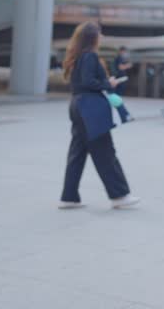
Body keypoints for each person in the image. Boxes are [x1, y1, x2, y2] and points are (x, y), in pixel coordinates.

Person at [59, 21, 139, 210]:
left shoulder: (77, 57)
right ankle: (119, 195)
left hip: (78, 106)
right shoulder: (90, 57)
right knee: (105, 151)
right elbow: (89, 81)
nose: (101, 37)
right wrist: (107, 83)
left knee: (77, 153)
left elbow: (83, 81)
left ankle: (69, 197)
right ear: (92, 37)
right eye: (99, 34)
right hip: (90, 108)